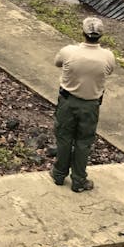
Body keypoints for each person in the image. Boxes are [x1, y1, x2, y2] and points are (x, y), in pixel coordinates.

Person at [51, 17, 117, 192]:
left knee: (64, 137)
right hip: (91, 105)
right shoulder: (107, 56)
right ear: (101, 35)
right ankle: (79, 180)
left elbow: (57, 62)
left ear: (83, 32)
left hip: (67, 101)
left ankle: (59, 174)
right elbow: (110, 71)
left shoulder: (68, 52)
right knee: (83, 142)